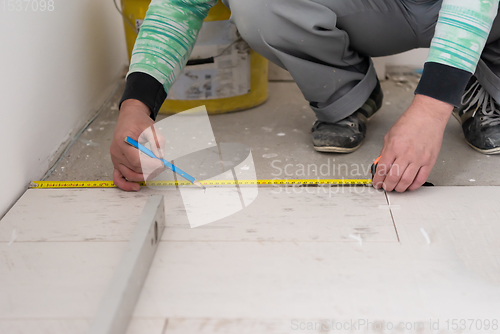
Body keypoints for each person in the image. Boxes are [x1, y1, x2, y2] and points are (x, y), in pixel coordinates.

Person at [110, 0, 500, 193]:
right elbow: (180, 3)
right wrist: (136, 105)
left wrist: (430, 108)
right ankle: (347, 93)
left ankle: (472, 77)